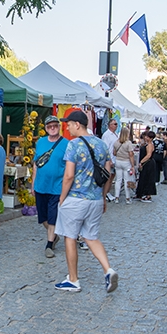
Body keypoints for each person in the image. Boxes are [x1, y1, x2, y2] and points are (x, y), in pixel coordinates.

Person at [53, 110, 118, 293]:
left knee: (70, 237)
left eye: (69, 124)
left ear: (78, 125)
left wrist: (62, 198)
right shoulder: (102, 145)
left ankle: (73, 279)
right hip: (95, 199)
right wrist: (103, 196)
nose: (67, 127)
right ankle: (108, 269)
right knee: (91, 237)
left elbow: (69, 175)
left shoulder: (73, 145)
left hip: (76, 198)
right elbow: (107, 175)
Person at [33, 115, 68, 258]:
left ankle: (49, 244)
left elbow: (69, 167)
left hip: (57, 186)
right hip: (41, 185)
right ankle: (54, 235)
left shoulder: (66, 144)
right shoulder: (40, 142)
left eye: (55, 126)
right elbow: (35, 164)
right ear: (46, 128)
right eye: (49, 126)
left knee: (52, 215)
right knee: (43, 218)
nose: (52, 128)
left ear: (59, 127)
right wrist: (33, 184)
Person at [111, 128, 136, 204]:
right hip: (126, 162)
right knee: (126, 180)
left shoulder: (116, 142)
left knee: (118, 180)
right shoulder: (128, 143)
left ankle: (116, 197)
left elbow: (114, 153)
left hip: (118, 162)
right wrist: (132, 166)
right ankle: (127, 198)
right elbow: (131, 155)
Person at [135, 131, 158, 202]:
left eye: (147, 137)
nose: (145, 137)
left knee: (148, 178)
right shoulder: (147, 144)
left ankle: (148, 195)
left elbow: (148, 155)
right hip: (147, 163)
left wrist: (141, 162)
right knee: (143, 178)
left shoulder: (150, 145)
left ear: (151, 138)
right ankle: (140, 193)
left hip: (148, 163)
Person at [100, 118, 120, 202]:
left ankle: (107, 191)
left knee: (112, 176)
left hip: (116, 158)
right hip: (110, 159)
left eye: (116, 124)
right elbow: (105, 148)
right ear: (110, 125)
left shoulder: (115, 134)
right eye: (115, 124)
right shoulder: (107, 135)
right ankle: (105, 193)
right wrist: (110, 160)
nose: (116, 126)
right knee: (108, 176)